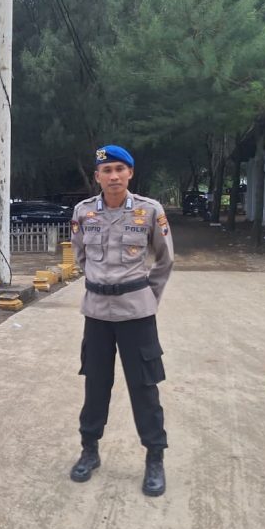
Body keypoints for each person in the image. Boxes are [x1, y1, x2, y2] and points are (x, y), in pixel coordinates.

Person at [69, 145, 174, 496]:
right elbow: (80, 256)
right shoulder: (83, 212)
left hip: (136, 314)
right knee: (95, 384)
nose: (113, 176)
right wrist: (100, 282)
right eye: (106, 170)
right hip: (97, 314)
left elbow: (165, 260)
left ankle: (155, 457)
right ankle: (89, 450)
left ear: (130, 173)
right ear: (97, 176)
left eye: (119, 169)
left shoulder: (150, 210)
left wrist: (147, 297)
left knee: (144, 387)